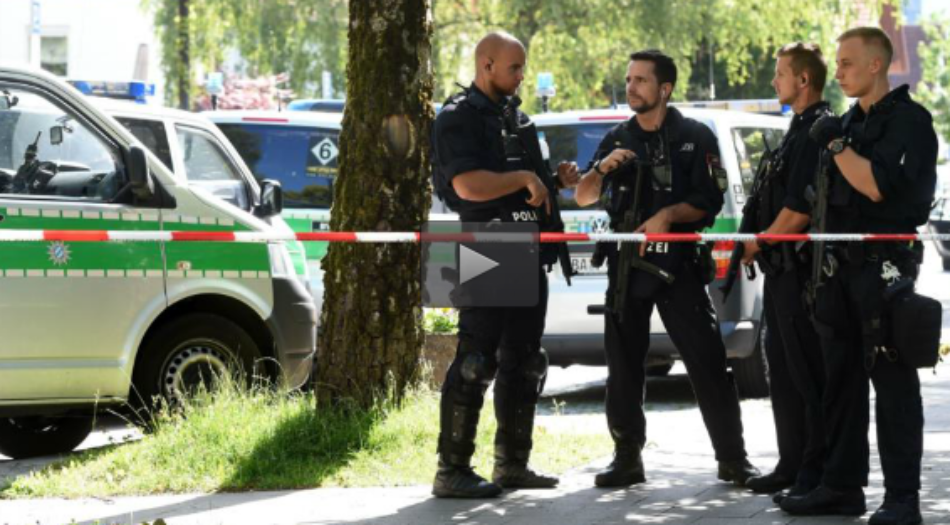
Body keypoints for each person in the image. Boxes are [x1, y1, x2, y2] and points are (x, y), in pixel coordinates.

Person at [574, 49, 759, 488]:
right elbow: (582, 196)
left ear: (665, 88)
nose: (631, 86)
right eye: (629, 78)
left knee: (708, 362)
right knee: (622, 367)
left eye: (641, 79)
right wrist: (602, 167)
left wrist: (670, 215)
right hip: (627, 269)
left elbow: (709, 202)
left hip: (678, 266)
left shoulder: (694, 135)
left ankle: (733, 458)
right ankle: (626, 458)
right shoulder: (618, 137)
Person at [780, 27, 937, 525]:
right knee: (840, 385)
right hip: (837, 272)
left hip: (884, 271)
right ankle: (840, 487)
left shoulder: (909, 122)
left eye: (848, 63)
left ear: (875, 65)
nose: (840, 72)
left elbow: (873, 187)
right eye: (839, 63)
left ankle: (902, 499)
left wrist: (837, 144)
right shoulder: (847, 122)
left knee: (892, 386)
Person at [429, 31, 580, 499]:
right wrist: (523, 178)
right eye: (513, 68)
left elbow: (528, 188)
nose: (521, 76)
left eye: (522, 68)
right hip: (485, 246)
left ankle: (512, 464)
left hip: (529, 249)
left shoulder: (519, 119)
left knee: (527, 362)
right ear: (486, 65)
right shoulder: (457, 118)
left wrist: (554, 182)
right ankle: (451, 469)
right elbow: (469, 187)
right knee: (476, 362)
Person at [740, 42, 830, 501]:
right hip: (780, 274)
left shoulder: (817, 131)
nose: (774, 81)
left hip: (800, 275)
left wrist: (760, 240)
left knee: (805, 375)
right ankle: (792, 463)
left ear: (803, 80)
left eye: (780, 74)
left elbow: (798, 210)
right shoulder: (797, 128)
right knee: (783, 371)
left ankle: (814, 473)